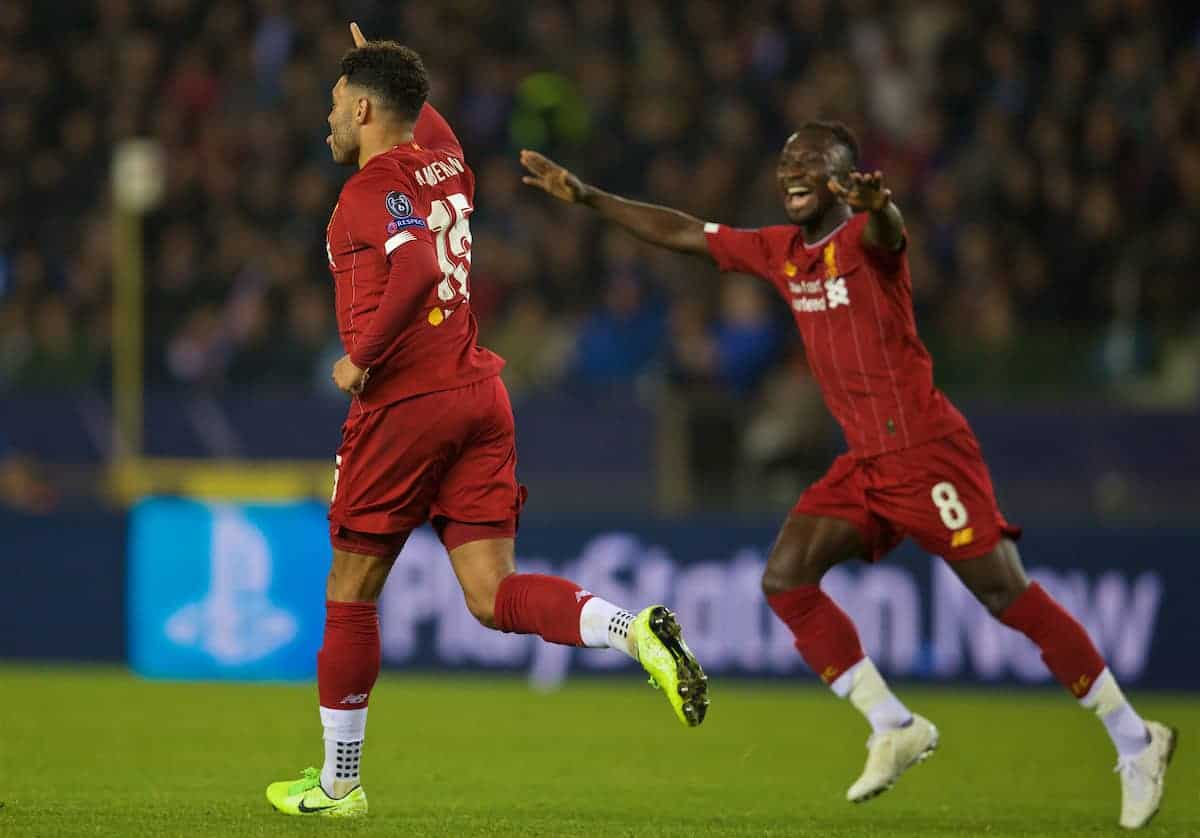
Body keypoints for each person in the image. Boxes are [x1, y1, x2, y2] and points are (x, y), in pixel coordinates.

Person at [520, 122, 1176, 830]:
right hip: (864, 464)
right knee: (785, 580)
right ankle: (892, 724)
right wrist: (586, 196)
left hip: (927, 455)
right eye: (785, 162)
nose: (793, 172)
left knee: (1005, 597)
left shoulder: (867, 243)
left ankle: (1136, 739)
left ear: (844, 176)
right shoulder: (780, 252)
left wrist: (879, 208)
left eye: (812, 162)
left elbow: (891, 234)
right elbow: (682, 232)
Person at [265, 23, 708, 819]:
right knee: (489, 591)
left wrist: (359, 355)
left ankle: (339, 784)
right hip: (479, 394)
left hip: (405, 405)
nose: (326, 119)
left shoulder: (369, 191)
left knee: (351, 586)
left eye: (336, 104)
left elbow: (418, 265)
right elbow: (423, 121)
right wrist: (389, 65)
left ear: (365, 109)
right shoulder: (449, 165)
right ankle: (630, 630)